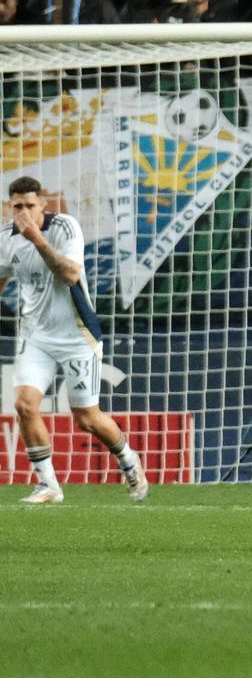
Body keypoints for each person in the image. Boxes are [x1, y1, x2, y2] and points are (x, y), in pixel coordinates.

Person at [0, 176, 148, 505]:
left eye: (29, 205)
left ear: (44, 205)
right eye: (17, 206)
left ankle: (128, 458)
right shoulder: (5, 239)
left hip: (76, 335)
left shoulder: (65, 228)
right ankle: (48, 485)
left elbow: (69, 274)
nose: (23, 212)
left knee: (86, 418)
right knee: (24, 406)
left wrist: (36, 238)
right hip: (34, 336)